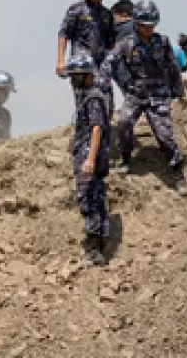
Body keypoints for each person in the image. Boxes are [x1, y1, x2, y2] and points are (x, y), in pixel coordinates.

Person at [100, 0, 187, 196]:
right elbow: (110, 60)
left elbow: (173, 68)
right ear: (136, 23)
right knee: (124, 122)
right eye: (143, 25)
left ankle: (177, 171)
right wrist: (102, 79)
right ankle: (125, 158)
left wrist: (179, 92)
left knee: (164, 135)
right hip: (135, 93)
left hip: (158, 94)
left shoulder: (163, 42)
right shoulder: (127, 44)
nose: (147, 29)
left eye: (150, 26)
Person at [65, 54, 110, 266]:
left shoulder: (93, 97)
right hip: (85, 153)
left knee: (89, 198)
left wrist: (90, 159)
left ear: (86, 76)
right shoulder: (89, 95)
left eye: (76, 77)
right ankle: (99, 246)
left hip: (88, 156)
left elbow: (96, 128)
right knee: (96, 198)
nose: (73, 81)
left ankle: (93, 249)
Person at [56, 0, 116, 116]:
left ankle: (102, 136)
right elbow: (63, 34)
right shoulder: (77, 10)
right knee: (86, 103)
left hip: (101, 64)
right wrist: (60, 60)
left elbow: (111, 42)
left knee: (107, 105)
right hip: (81, 65)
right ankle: (83, 135)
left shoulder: (107, 15)